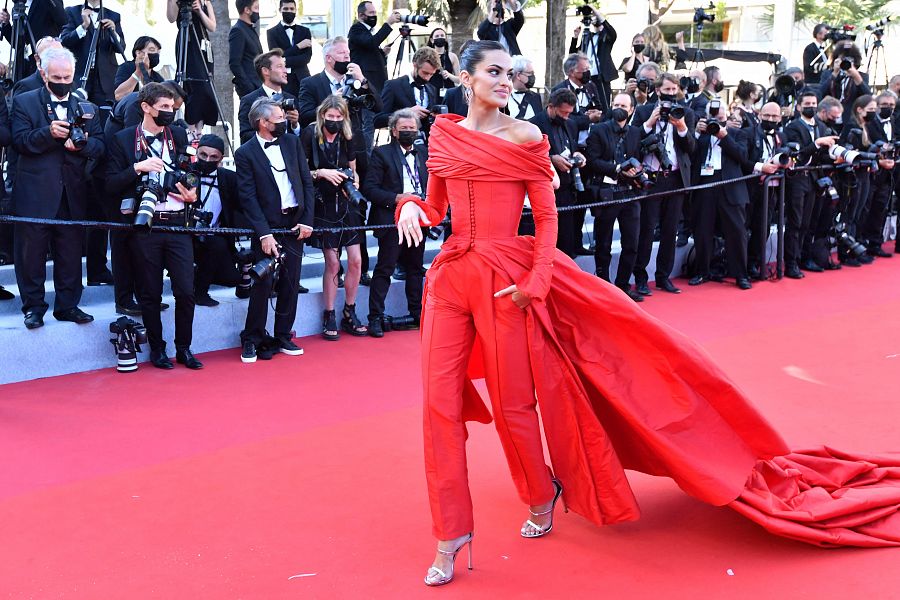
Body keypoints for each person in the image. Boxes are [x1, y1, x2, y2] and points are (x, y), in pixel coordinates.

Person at [395, 42, 900, 588]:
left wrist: (534, 284)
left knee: (517, 405)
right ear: (466, 77)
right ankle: (451, 534)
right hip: (448, 280)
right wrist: (408, 207)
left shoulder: (526, 136)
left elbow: (545, 220)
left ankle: (541, 493)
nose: (506, 81)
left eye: (510, 73)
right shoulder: (444, 135)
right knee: (438, 410)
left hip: (507, 282)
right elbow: (436, 207)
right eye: (493, 72)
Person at [105, 83, 202, 369]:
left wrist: (192, 193)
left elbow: (193, 173)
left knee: (185, 290)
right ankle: (157, 349)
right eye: (163, 108)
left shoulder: (181, 135)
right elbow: (109, 184)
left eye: (172, 109)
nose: (169, 113)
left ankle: (184, 348)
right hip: (145, 226)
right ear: (146, 107)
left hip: (178, 224)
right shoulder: (123, 140)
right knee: (150, 293)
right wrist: (138, 168)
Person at [11, 46, 104, 330]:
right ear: (43, 73)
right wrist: (49, 133)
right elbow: (20, 141)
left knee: (70, 253)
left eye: (68, 77)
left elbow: (101, 146)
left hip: (73, 192)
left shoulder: (86, 106)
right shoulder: (25, 102)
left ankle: (68, 306)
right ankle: (34, 307)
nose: (63, 82)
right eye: (57, 77)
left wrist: (83, 144)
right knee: (31, 254)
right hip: (35, 193)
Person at [236, 97, 314, 362]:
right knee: (263, 282)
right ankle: (252, 337)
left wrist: (307, 220)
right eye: (279, 118)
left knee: (291, 282)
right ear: (263, 122)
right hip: (267, 226)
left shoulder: (292, 143)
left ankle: (283, 335)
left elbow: (306, 183)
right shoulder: (245, 153)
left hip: (294, 223)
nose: (284, 121)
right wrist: (264, 234)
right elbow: (247, 197)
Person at [301, 95, 368, 339]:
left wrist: (353, 181)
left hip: (347, 204)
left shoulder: (348, 136)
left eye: (339, 117)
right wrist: (322, 173)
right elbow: (300, 171)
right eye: (331, 117)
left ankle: (350, 310)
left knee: (357, 260)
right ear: (322, 116)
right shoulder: (310, 135)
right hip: (323, 204)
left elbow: (354, 169)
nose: (335, 121)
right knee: (333, 262)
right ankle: (329, 313)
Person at [362, 108, 428, 337]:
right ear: (393, 131)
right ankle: (375, 318)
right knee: (385, 268)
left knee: (415, 268)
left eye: (413, 129)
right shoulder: (381, 153)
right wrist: (396, 198)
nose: (409, 132)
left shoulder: (424, 153)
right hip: (392, 219)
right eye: (404, 129)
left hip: (419, 219)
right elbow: (369, 188)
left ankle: (417, 313)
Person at [631, 72, 696, 295]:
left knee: (670, 231)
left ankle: (663, 277)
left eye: (673, 90)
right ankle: (641, 278)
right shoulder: (643, 111)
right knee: (647, 230)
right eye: (666, 90)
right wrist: (650, 123)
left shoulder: (686, 113)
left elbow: (691, 148)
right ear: (657, 91)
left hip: (676, 178)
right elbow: (634, 142)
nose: (670, 94)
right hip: (651, 178)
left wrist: (681, 127)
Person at [585, 92, 643, 301]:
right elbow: (592, 160)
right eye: (616, 103)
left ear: (631, 110)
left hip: (630, 194)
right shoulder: (598, 130)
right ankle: (603, 287)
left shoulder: (636, 132)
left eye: (624, 105)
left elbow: (638, 157)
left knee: (631, 243)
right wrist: (617, 169)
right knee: (603, 244)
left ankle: (623, 286)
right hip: (606, 194)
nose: (619, 107)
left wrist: (635, 170)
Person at [689, 102, 752, 290]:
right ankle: (702, 271)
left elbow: (742, 157)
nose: (716, 122)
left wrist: (724, 136)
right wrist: (698, 133)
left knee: (737, 232)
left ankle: (741, 274)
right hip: (705, 185)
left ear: (727, 118)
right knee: (702, 230)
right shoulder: (701, 135)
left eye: (721, 118)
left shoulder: (738, 134)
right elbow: (690, 154)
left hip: (730, 186)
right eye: (712, 118)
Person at [782, 90, 837, 277]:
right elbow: (798, 156)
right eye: (807, 104)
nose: (811, 107)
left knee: (809, 222)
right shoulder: (792, 127)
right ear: (798, 107)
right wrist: (817, 144)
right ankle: (791, 263)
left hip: (815, 179)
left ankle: (805, 258)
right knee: (795, 222)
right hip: (797, 179)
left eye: (814, 104)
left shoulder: (821, 126)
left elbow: (821, 155)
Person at [191, 134, 247, 306]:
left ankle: (197, 277)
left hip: (215, 234)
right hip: (187, 235)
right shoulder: (187, 172)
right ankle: (199, 292)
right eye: (203, 155)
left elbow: (242, 203)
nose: (207, 160)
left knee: (232, 278)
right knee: (216, 246)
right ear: (197, 153)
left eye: (213, 157)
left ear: (221, 159)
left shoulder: (229, 178)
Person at [529, 88, 583, 258]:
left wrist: (578, 155)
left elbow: (573, 147)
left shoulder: (571, 123)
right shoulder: (532, 125)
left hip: (568, 189)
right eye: (563, 112)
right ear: (551, 107)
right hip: (544, 192)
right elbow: (528, 156)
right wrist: (552, 159)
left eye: (570, 113)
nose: (567, 116)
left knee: (566, 244)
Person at [743, 101, 786, 278]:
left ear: (780, 118)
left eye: (774, 116)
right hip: (749, 187)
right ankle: (741, 264)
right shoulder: (748, 133)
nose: (770, 119)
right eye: (767, 115)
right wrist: (761, 167)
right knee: (745, 227)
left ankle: (755, 262)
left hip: (772, 190)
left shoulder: (781, 137)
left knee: (764, 228)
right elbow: (742, 159)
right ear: (759, 115)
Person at [60, 0, 124, 112]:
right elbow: (64, 41)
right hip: (80, 73)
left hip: (105, 77)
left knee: (104, 112)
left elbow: (121, 48)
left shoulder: (113, 15)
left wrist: (113, 32)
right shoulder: (72, 11)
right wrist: (83, 26)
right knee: (77, 110)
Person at [166, 0, 217, 137]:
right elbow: (171, 18)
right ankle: (190, 127)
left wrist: (199, 10)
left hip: (203, 44)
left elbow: (212, 26)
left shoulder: (206, 3)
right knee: (191, 85)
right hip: (186, 42)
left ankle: (199, 129)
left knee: (205, 84)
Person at [860, 90, 897, 257]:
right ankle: (862, 244)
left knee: (881, 208)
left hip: (889, 173)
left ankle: (876, 243)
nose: (887, 108)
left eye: (891, 105)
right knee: (866, 209)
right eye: (884, 105)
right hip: (871, 172)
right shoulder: (869, 123)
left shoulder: (896, 122)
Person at [237, 49, 300, 143]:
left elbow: (301, 138)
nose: (285, 71)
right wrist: (268, 130)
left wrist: (295, 125)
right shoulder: (249, 101)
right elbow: (245, 135)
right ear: (265, 71)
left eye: (285, 66)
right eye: (279, 66)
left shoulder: (292, 99)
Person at [375, 47, 441, 129]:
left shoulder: (432, 89)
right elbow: (377, 120)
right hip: (402, 139)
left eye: (431, 74)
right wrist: (406, 113)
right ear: (415, 65)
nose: (427, 78)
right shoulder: (393, 85)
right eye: (425, 73)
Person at [0, 0, 66, 80]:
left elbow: (63, 20)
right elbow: (17, 43)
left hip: (42, 64)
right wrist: (6, 24)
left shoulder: (46, 3)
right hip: (22, 67)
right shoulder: (18, 5)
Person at [568, 5, 616, 111]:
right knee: (586, 105)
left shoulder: (605, 38)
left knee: (604, 106)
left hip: (600, 77)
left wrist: (597, 13)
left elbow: (612, 33)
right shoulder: (587, 37)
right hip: (586, 77)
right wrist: (575, 37)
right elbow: (573, 56)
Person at [348, 1, 400, 95]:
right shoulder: (356, 29)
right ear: (361, 15)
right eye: (371, 13)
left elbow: (369, 50)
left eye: (375, 13)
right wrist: (388, 24)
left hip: (378, 80)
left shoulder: (369, 31)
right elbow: (371, 43)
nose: (374, 16)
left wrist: (382, 53)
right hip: (368, 81)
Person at [266, 0, 312, 98]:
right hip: (282, 79)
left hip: (303, 77)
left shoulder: (305, 31)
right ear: (280, 10)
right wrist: (298, 47)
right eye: (286, 9)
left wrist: (285, 60)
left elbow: (306, 58)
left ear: (296, 10)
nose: (289, 11)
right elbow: (276, 57)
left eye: (292, 9)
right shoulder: (272, 33)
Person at [819, 42, 870, 124]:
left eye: (849, 60)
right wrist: (834, 74)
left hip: (850, 120)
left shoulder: (861, 76)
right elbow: (820, 93)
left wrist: (856, 76)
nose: (845, 62)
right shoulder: (828, 74)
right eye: (842, 60)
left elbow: (867, 97)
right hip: (829, 118)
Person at [228, 0, 263, 98]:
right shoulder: (238, 30)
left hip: (258, 85)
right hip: (250, 89)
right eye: (256, 8)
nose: (258, 11)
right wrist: (248, 87)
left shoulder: (250, 29)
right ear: (247, 10)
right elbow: (234, 63)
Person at [113, 36, 164, 101]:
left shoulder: (157, 78)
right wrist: (138, 72)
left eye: (158, 52)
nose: (156, 54)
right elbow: (119, 96)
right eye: (152, 50)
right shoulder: (126, 67)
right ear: (139, 53)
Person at [507, 55, 541, 121]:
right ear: (518, 75)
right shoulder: (505, 96)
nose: (532, 76)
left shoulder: (535, 97)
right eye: (530, 73)